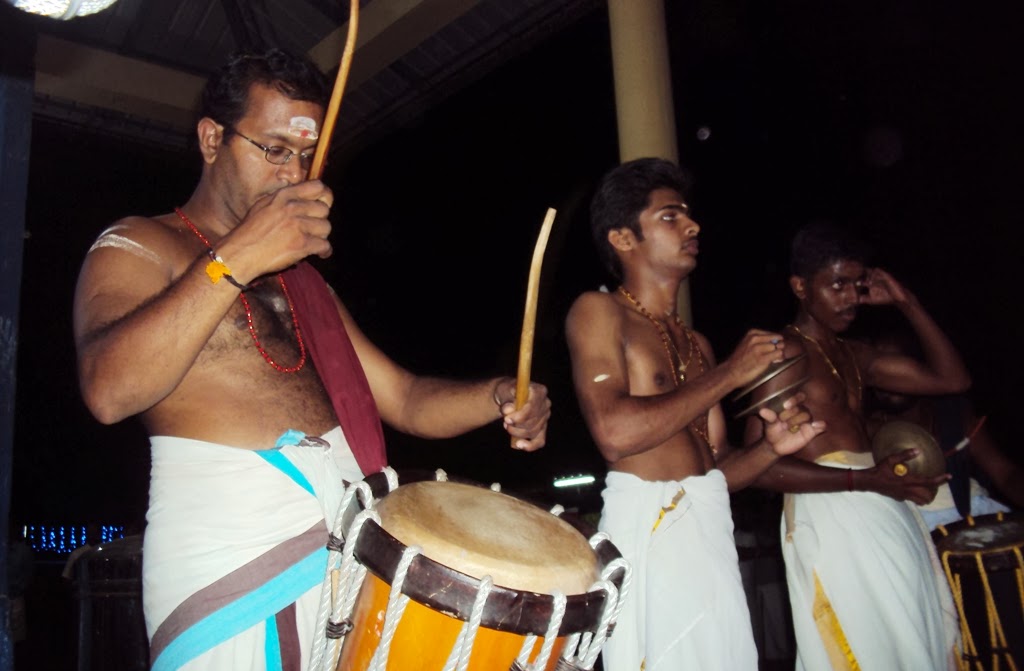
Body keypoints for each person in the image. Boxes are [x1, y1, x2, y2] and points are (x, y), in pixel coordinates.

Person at [72, 49, 550, 670]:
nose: (293, 174)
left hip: (345, 552)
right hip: (227, 559)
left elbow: (405, 398)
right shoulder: (138, 243)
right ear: (213, 139)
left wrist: (497, 396)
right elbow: (108, 390)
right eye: (274, 149)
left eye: (305, 155)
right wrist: (238, 257)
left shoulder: (304, 284)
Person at [565, 158, 825, 671]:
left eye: (688, 214)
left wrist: (770, 448)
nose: (693, 226)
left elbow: (716, 470)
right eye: (670, 216)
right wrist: (729, 374)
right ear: (623, 238)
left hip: (709, 536)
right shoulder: (598, 311)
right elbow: (614, 432)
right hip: (648, 534)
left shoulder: (698, 345)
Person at [744, 222, 966, 670]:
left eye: (857, 285)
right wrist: (866, 480)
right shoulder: (783, 353)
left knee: (914, 642)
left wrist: (907, 302)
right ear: (800, 287)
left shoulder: (855, 355)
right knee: (865, 649)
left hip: (884, 506)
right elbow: (759, 467)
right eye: (837, 285)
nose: (851, 298)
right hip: (834, 518)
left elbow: (952, 379)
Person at [862, 323, 1022, 530]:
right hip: (915, 532)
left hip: (975, 522)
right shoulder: (868, 429)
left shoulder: (953, 415)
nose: (890, 381)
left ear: (920, 369)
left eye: (898, 369)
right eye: (881, 372)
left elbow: (1005, 474)